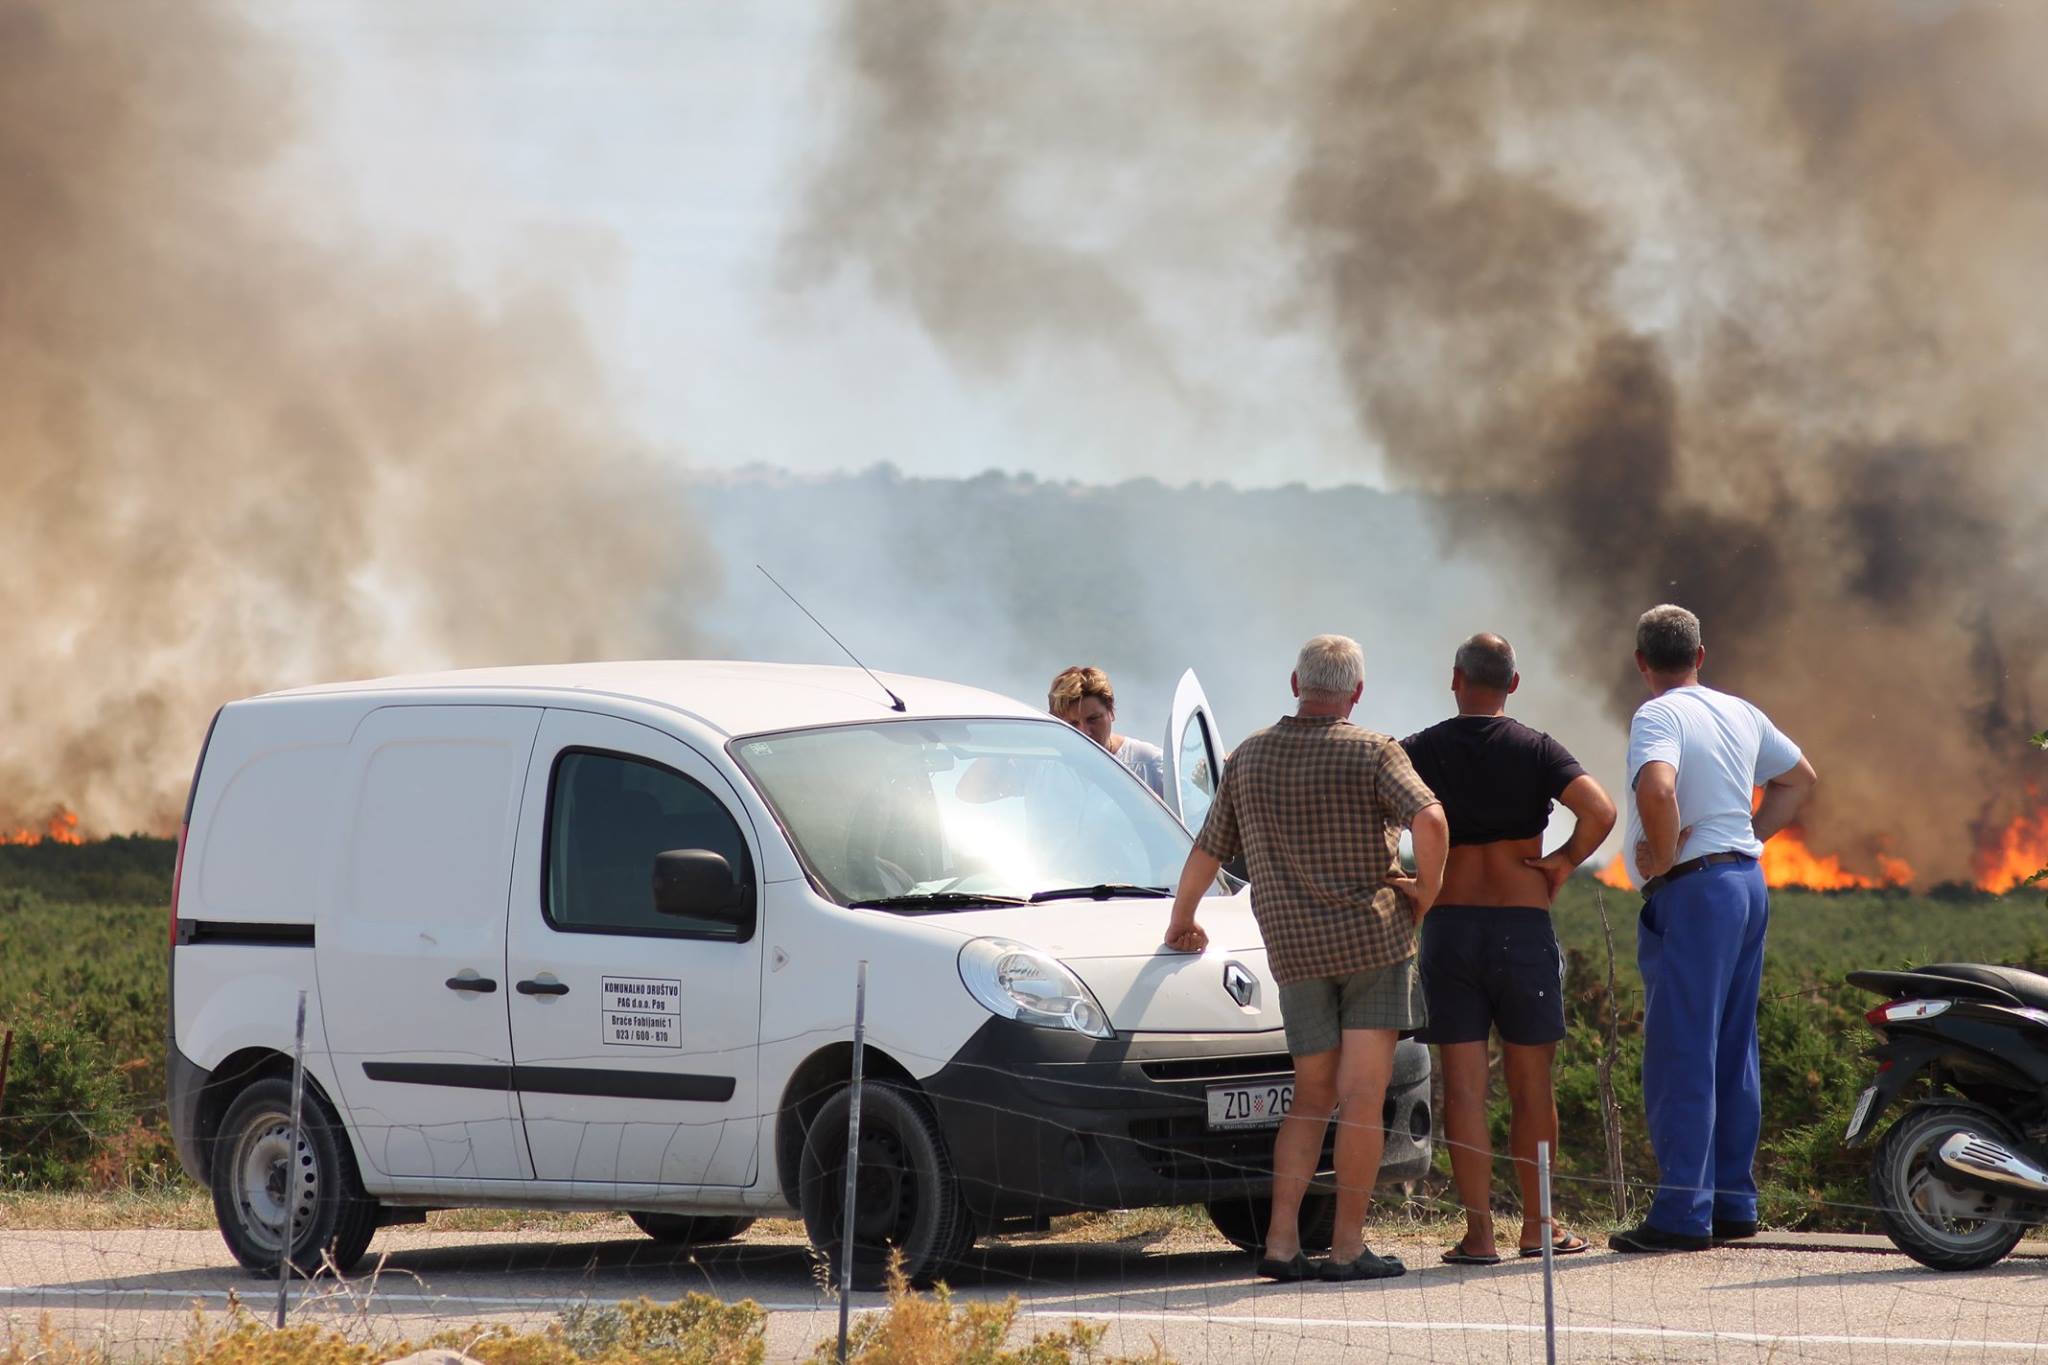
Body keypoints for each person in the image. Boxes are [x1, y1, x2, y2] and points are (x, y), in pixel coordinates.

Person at [1161, 635, 1448, 1282]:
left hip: (1294, 950)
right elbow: (1430, 821)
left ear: (1296, 682)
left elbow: (1207, 850)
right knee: (1364, 1095)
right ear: (1357, 692)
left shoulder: (1249, 757)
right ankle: (1347, 1246)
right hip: (1372, 943)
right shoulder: (1376, 750)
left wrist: (1183, 920)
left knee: (1310, 1097)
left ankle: (1282, 1243)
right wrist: (1425, 893)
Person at [1399, 633, 1616, 1265]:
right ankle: (1537, 1225)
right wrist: (1561, 863)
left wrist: (1408, 880)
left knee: (1464, 1091)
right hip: (1521, 927)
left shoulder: (1420, 750)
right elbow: (1598, 811)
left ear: (1456, 678)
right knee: (1531, 1085)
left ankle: (1478, 1234)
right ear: (1513, 684)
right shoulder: (1536, 748)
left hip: (1449, 927)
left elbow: (1373, 811)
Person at [1611, 605, 1817, 1253]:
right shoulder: (1740, 710)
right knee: (1734, 1046)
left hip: (1695, 892)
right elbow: (1798, 779)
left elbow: (1657, 787)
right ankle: (1733, 1202)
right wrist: (1746, 835)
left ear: (1642, 662)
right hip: (1747, 887)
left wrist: (1664, 853)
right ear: (1701, 655)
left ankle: (1680, 1213)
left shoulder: (1657, 714)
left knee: (1682, 1048)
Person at [1048, 666, 1167, 799]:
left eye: (1093, 719)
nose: (1085, 732)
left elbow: (1191, 816)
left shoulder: (1149, 764)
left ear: (1111, 712)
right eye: (1073, 723)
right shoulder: (1044, 766)